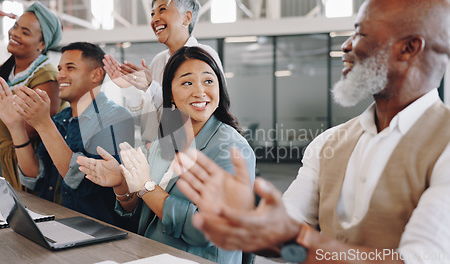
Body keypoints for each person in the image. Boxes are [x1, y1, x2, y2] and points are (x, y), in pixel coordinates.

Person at [174, 0, 450, 263]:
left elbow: (420, 259)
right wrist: (250, 222)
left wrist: (295, 238)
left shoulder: (444, 143)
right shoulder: (328, 143)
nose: (346, 45)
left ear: (409, 48)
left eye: (360, 33)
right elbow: (286, 242)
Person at [77, 46, 255, 263]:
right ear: (170, 92)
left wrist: (146, 186)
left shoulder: (233, 149)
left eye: (208, 81)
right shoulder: (166, 139)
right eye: (187, 82)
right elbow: (143, 215)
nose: (200, 91)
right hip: (150, 254)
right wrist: (123, 185)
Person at [0, 42, 137, 230]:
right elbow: (35, 177)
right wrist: (15, 126)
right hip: (54, 225)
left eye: (70, 67)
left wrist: (43, 124)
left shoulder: (116, 117)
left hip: (97, 232)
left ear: (96, 75)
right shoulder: (59, 120)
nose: (61, 75)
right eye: (59, 68)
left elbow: (84, 185)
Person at [0, 2, 62, 189]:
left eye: (25, 32)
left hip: (35, 167)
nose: (15, 33)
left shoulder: (46, 76)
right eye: (16, 26)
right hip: (8, 166)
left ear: (41, 44)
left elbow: (30, 129)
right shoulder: (2, 72)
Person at [104, 0, 223, 146]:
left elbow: (195, 110)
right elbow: (150, 122)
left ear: (187, 18)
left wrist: (150, 87)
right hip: (159, 155)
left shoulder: (204, 56)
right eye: (153, 13)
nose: (154, 19)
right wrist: (129, 88)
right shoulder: (159, 61)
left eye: (162, 10)